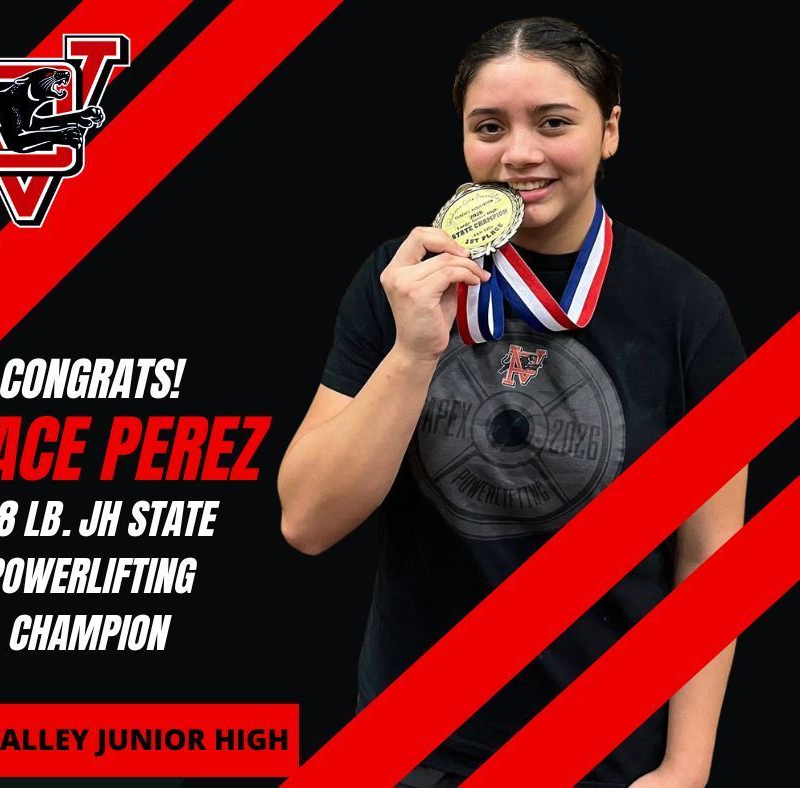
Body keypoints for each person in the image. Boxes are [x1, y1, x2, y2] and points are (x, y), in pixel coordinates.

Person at [277, 16, 747, 788]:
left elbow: (711, 555)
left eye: (554, 122)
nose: (519, 154)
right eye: (489, 127)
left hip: (608, 752)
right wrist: (412, 353)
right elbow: (307, 521)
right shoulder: (400, 283)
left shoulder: (686, 308)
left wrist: (685, 767)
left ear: (610, 131)